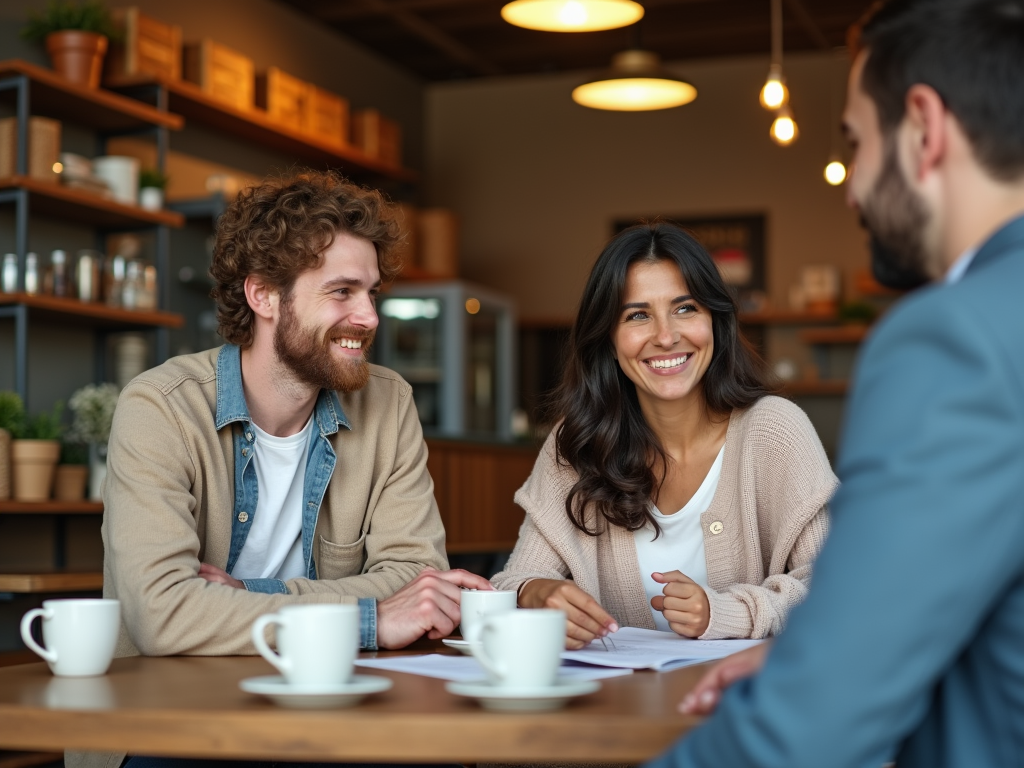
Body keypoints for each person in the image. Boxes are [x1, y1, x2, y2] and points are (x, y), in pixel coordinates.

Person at [650, 1, 1024, 766]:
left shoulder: (955, 338)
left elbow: (806, 731)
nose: (850, 189)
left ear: (925, 128)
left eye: (856, 142)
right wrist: (821, 655)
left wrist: (819, 678)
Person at [67, 171, 491, 768]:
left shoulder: (388, 402)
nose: (369, 317)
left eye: (372, 294)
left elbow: (419, 581)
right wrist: (367, 619)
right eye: (342, 292)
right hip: (173, 720)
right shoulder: (159, 407)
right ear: (263, 295)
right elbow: (162, 614)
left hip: (334, 703)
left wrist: (251, 595)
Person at [491, 223, 838, 648]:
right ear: (608, 339)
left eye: (685, 308)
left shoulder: (775, 431)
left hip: (743, 704)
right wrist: (534, 594)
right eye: (638, 315)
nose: (666, 336)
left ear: (715, 320)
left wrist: (725, 612)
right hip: (614, 709)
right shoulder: (576, 444)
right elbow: (511, 582)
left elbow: (837, 590)